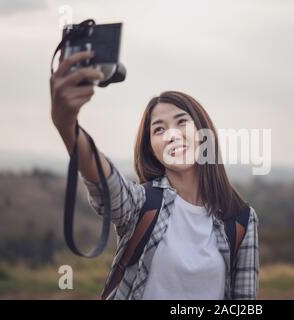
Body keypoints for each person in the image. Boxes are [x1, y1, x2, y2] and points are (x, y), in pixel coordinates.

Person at [50, 51, 259, 300]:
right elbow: (106, 181)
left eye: (182, 122)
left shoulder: (240, 219)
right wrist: (68, 126)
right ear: (152, 148)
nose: (172, 134)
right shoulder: (142, 204)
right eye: (159, 129)